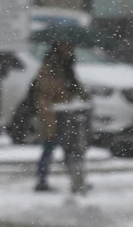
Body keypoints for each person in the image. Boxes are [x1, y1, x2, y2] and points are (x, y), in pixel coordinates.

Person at [31, 42, 90, 193]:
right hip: (51, 111)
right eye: (66, 47)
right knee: (50, 146)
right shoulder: (52, 64)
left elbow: (73, 84)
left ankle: (75, 179)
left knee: (66, 147)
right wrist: (63, 90)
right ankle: (43, 179)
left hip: (63, 111)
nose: (69, 50)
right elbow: (46, 87)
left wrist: (81, 93)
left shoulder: (66, 65)